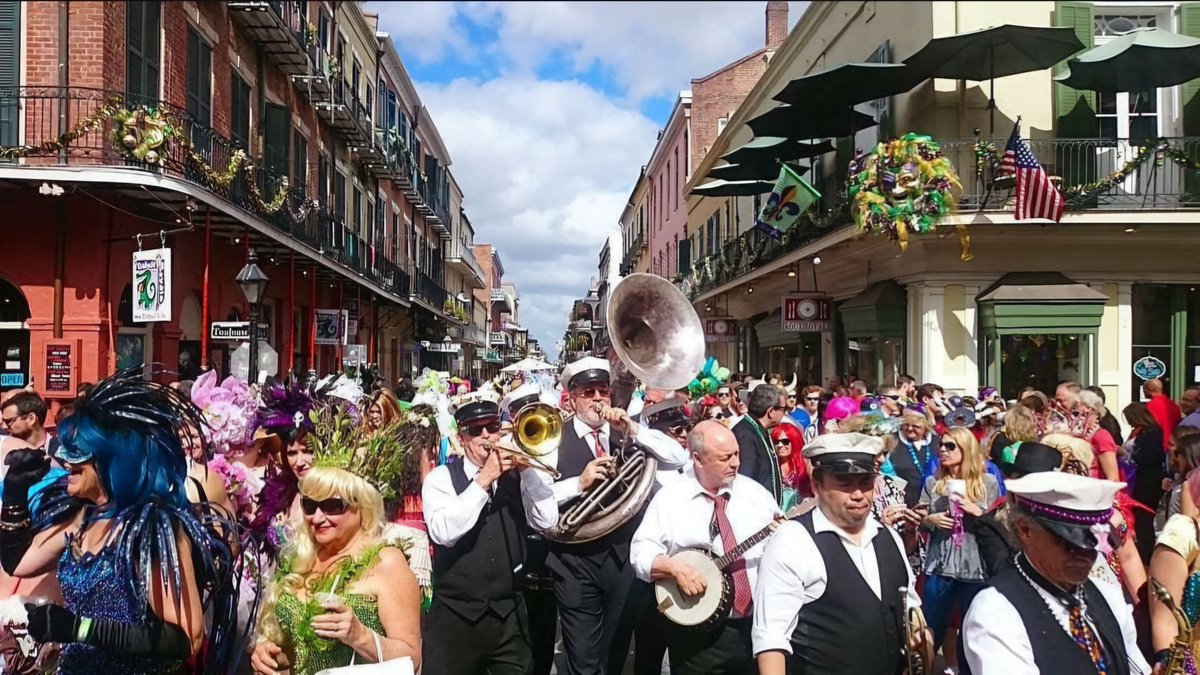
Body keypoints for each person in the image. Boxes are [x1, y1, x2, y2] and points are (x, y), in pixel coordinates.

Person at [0, 370, 243, 675]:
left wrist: (81, 628)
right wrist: (14, 493)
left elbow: (185, 637)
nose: (65, 460)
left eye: (77, 452)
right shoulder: (82, 518)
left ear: (110, 458)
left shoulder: (152, 527)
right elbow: (18, 561)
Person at [527, 356, 687, 675]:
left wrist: (633, 428)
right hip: (573, 560)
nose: (598, 399)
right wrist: (579, 484)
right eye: (588, 392)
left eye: (603, 390)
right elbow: (537, 511)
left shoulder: (626, 433)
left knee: (613, 654)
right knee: (584, 658)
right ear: (571, 398)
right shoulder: (551, 439)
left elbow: (678, 456)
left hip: (622, 559)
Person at [752, 433, 924, 674]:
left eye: (865, 482)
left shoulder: (889, 537)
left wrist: (921, 640)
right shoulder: (793, 539)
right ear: (816, 486)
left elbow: (912, 615)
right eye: (844, 483)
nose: (858, 494)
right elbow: (771, 638)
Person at [961, 472, 1150, 674]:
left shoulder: (1107, 594)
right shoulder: (995, 612)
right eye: (1070, 545)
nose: (1086, 557)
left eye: (1093, 545)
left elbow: (1135, 664)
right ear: (1025, 530)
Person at [631, 420, 780, 674]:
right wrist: (673, 568)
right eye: (725, 458)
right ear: (698, 459)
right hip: (698, 633)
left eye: (736, 454)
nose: (735, 463)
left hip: (755, 628)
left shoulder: (756, 495)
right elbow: (640, 554)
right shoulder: (671, 498)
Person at [420, 395, 553, 674]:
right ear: (461, 436)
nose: (485, 436)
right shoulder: (441, 478)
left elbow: (546, 520)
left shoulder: (517, 476)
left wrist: (528, 470)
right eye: (474, 429)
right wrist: (483, 480)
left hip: (508, 615)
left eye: (492, 427)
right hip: (455, 617)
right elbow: (444, 532)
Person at [251, 467, 422, 674]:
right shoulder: (300, 561)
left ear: (362, 506)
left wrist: (360, 637)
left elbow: (411, 658)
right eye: (310, 505)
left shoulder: (385, 562)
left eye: (332, 506)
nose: (317, 517)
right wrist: (270, 656)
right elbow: (303, 651)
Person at [919, 426, 1000, 655]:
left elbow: (997, 526)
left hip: (975, 566)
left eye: (950, 446)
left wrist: (976, 511)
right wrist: (929, 520)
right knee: (931, 628)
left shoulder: (988, 483)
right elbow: (918, 520)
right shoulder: (932, 483)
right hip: (940, 565)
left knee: (972, 630)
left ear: (966, 449)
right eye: (941, 445)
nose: (942, 450)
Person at [1123, 402, 1165, 563]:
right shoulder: (1138, 431)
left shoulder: (1152, 433)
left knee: (1144, 518)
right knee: (1140, 519)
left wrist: (1130, 457)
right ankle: (1144, 550)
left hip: (1147, 481)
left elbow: (1152, 458)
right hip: (1136, 478)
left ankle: (1147, 555)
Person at [734, 384, 788, 505]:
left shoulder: (758, 429)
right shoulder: (745, 435)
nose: (784, 413)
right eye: (783, 409)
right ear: (770, 411)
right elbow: (745, 481)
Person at [890, 411, 938, 507]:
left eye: (915, 426)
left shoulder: (937, 442)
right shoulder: (892, 441)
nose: (910, 429)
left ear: (925, 427)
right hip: (902, 502)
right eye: (906, 425)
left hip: (932, 500)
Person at [0, 392, 58, 470]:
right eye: (3, 421)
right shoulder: (4, 451)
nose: (4, 427)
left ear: (31, 419)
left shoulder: (60, 451)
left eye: (9, 421)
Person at [1145, 378, 1182, 450]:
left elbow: (1148, 426)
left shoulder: (1151, 405)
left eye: (1144, 389)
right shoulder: (1173, 404)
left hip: (1158, 445)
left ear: (1149, 389)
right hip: (1173, 443)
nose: (1143, 391)